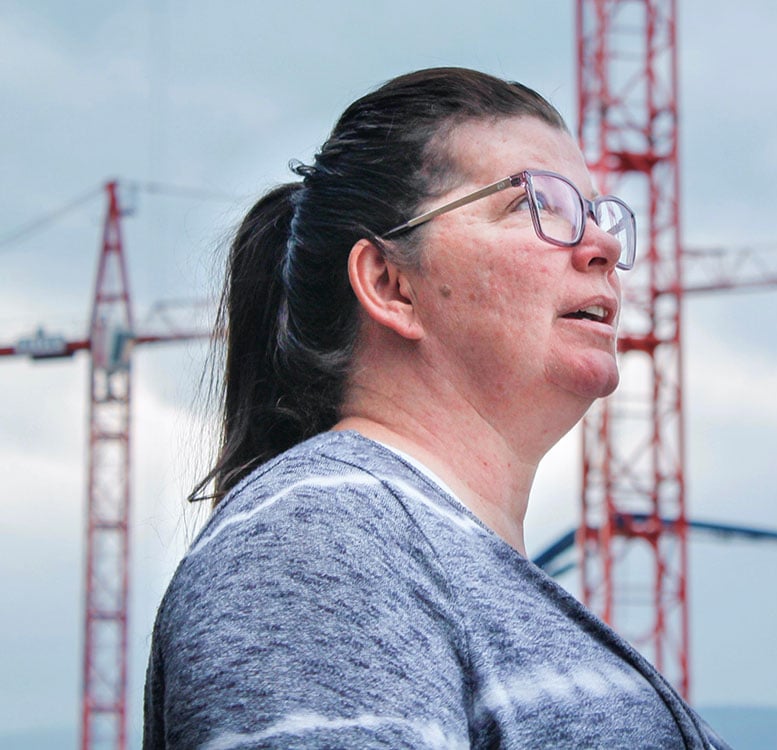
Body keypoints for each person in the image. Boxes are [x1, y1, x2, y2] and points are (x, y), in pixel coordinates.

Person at [143, 67, 730, 750]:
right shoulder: (321, 543)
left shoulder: (394, 547)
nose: (603, 247)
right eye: (537, 205)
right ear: (391, 285)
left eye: (598, 216)